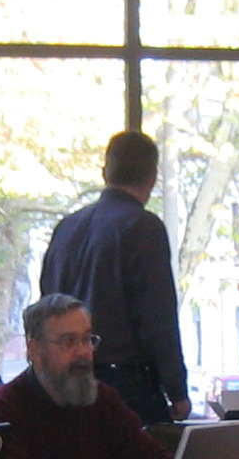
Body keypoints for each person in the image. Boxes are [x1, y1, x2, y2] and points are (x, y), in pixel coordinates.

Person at [39, 130, 191, 426]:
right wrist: (177, 391)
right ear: (152, 177)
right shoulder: (143, 228)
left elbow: (46, 306)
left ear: (105, 172)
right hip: (124, 388)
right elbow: (157, 318)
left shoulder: (66, 227)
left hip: (64, 385)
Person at [0, 293, 173, 459]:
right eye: (68, 342)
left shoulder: (104, 399)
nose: (83, 351)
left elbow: (150, 458)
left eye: (87, 339)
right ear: (35, 350)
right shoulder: (4, 406)